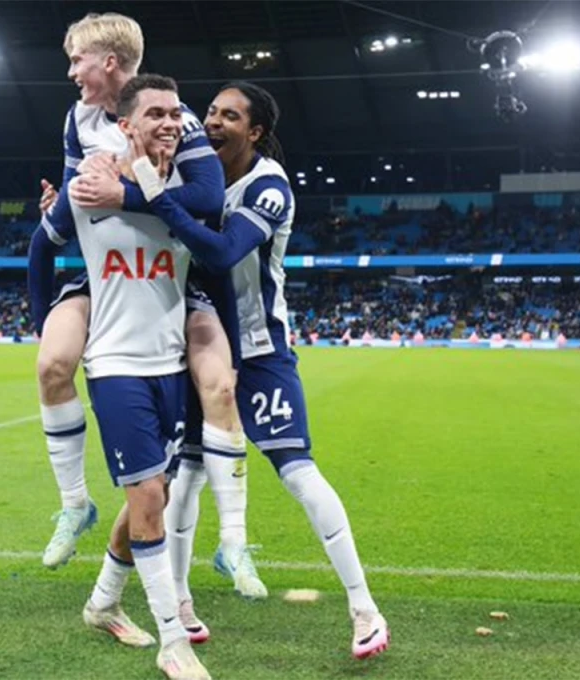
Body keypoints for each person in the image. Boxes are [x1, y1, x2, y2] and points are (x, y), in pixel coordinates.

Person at [134, 81, 390, 660]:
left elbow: (224, 252)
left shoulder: (268, 183)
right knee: (187, 475)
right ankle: (179, 603)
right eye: (211, 112)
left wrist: (154, 196)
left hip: (258, 350)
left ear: (255, 133)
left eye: (230, 115)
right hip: (199, 350)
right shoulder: (187, 174)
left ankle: (364, 608)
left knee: (298, 472)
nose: (213, 121)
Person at [29, 12, 264, 617]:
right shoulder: (77, 121)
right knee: (52, 360)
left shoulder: (176, 118)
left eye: (77, 59)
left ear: (108, 62)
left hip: (177, 276)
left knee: (212, 396)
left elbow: (208, 201)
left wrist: (124, 194)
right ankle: (74, 504)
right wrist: (74, 203)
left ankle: (232, 544)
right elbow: (68, 206)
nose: (71, 71)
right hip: (108, 275)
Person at [38, 73, 210, 680]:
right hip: (115, 366)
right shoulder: (91, 180)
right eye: (156, 114)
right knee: (146, 499)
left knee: (153, 496)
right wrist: (46, 320)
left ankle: (103, 602)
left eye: (175, 114)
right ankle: (172, 642)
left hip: (172, 365)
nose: (170, 123)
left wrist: (140, 193)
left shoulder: (186, 188)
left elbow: (210, 220)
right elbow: (44, 241)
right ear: (125, 123)